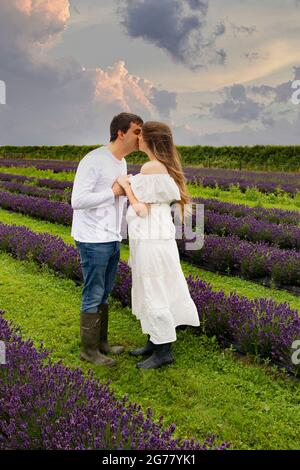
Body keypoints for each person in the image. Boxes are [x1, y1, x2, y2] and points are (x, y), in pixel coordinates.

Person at [117, 121, 200, 369]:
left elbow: (140, 208)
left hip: (151, 237)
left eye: (140, 134)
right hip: (155, 236)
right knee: (153, 285)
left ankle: (163, 351)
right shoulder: (159, 167)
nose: (137, 139)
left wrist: (125, 185)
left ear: (149, 139)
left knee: (154, 288)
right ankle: (154, 341)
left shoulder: (151, 167)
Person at [71, 112, 143, 366]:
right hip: (92, 238)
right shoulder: (94, 160)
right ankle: (88, 351)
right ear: (121, 133)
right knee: (93, 293)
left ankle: (101, 344)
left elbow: (117, 198)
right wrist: (113, 191)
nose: (140, 137)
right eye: (137, 131)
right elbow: (77, 201)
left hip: (111, 236)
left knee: (105, 292)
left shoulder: (120, 163)